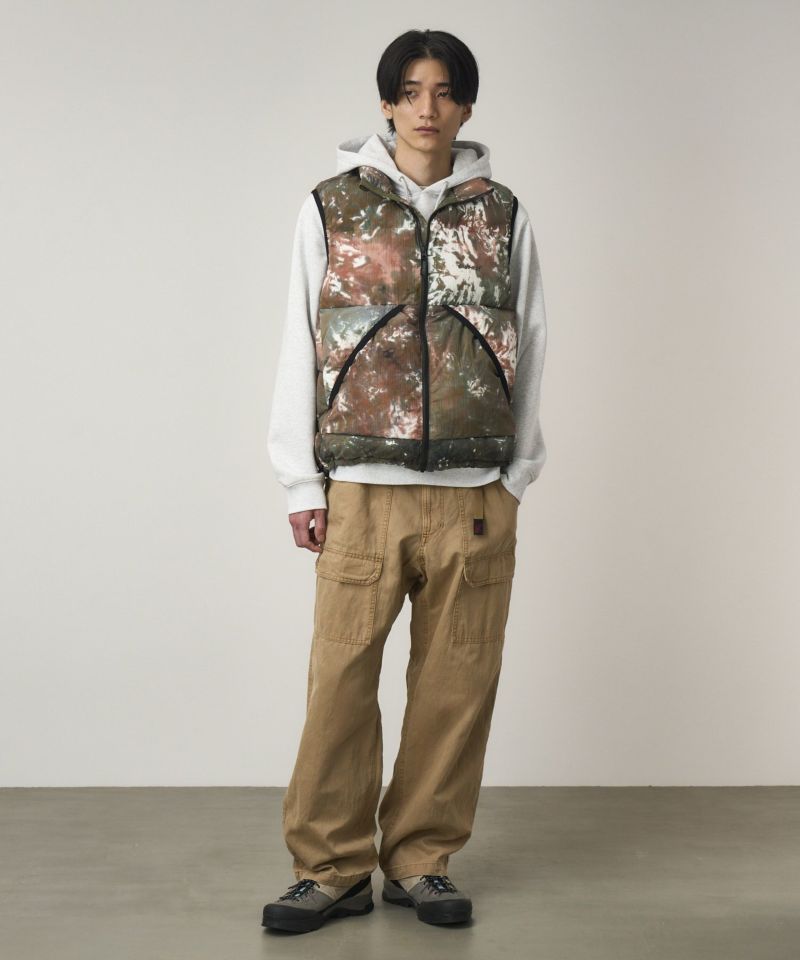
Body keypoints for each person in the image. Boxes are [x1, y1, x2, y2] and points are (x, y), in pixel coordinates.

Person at [262, 28, 547, 934]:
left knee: (456, 687)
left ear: (466, 106)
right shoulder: (332, 206)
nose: (429, 108)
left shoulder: (501, 213)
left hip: (474, 494)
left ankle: (422, 860)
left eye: (446, 91)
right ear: (386, 104)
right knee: (340, 682)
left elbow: (532, 338)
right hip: (361, 486)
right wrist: (301, 483)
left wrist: (516, 475)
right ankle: (330, 867)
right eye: (412, 91)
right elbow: (300, 341)